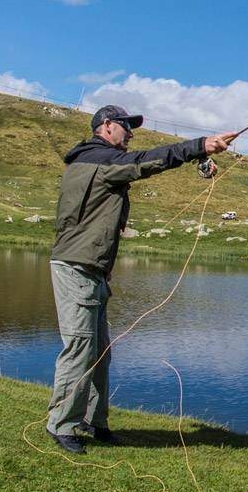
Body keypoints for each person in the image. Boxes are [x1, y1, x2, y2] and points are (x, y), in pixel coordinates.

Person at [44, 104, 235, 453]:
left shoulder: (91, 159)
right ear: (106, 126)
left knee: (99, 352)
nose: (131, 133)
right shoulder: (99, 159)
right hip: (77, 267)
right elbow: (146, 162)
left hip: (90, 267)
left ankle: (94, 422)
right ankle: (61, 425)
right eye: (125, 126)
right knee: (81, 348)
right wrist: (199, 146)